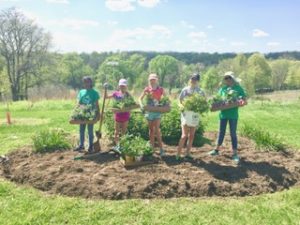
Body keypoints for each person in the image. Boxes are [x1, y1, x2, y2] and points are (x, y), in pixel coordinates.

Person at [209, 71, 247, 163]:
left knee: (233, 133)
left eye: (229, 77)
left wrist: (242, 102)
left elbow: (244, 100)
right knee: (221, 132)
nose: (227, 79)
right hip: (223, 114)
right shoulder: (223, 89)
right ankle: (216, 150)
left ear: (232, 78)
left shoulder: (238, 88)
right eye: (226, 78)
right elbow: (218, 100)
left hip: (233, 115)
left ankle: (235, 154)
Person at [177, 73, 205, 161]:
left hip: (194, 115)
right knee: (184, 135)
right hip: (186, 114)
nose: (193, 80)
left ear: (198, 81)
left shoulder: (200, 91)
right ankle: (178, 154)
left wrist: (200, 107)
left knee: (192, 135)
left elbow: (203, 102)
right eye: (192, 78)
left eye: (195, 79)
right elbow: (180, 101)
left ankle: (188, 153)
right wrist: (182, 107)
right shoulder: (185, 90)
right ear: (190, 79)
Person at [139, 73, 165, 156]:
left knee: (157, 130)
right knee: (151, 130)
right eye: (151, 80)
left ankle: (161, 149)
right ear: (149, 80)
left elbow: (166, 99)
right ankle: (152, 149)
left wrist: (164, 104)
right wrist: (141, 105)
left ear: (156, 80)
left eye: (154, 79)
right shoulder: (147, 89)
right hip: (149, 112)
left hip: (157, 111)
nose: (152, 81)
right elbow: (140, 98)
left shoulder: (160, 89)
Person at [74, 76, 100, 153]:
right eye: (85, 82)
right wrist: (76, 111)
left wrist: (98, 113)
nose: (86, 84)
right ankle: (81, 145)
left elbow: (96, 104)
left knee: (90, 130)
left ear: (91, 83)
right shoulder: (81, 92)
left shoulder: (94, 92)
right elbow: (79, 103)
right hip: (82, 113)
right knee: (81, 130)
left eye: (88, 82)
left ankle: (91, 146)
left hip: (90, 113)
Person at [105, 79, 132, 150]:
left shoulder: (128, 95)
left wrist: (129, 111)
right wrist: (105, 89)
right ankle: (117, 146)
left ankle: (123, 145)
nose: (122, 87)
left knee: (124, 131)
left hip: (125, 115)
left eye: (124, 86)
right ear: (119, 86)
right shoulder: (116, 93)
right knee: (116, 131)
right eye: (121, 86)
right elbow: (106, 97)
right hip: (118, 115)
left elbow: (132, 105)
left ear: (126, 86)